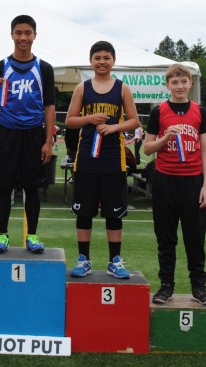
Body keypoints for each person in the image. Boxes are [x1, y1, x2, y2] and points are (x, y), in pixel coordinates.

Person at [65, 41, 139, 280]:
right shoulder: (82, 88)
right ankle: (83, 259)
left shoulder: (122, 88)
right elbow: (69, 121)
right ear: (91, 61)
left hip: (113, 160)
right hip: (86, 158)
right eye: (97, 58)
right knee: (84, 212)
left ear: (113, 61)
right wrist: (90, 118)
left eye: (106, 57)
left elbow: (134, 121)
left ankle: (114, 261)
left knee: (113, 213)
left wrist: (114, 126)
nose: (102, 62)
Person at [143, 63, 206, 306]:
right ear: (168, 85)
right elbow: (147, 148)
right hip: (165, 180)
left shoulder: (199, 111)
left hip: (193, 181)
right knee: (165, 237)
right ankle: (166, 286)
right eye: (175, 82)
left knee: (195, 237)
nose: (180, 86)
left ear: (191, 83)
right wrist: (165, 138)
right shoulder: (158, 112)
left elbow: (205, 149)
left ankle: (199, 287)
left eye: (184, 82)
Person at [0, 15, 56, 254]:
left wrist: (48, 141)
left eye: (28, 33)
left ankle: (32, 235)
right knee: (4, 186)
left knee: (32, 187)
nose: (23, 38)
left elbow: (49, 106)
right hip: (7, 133)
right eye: (18, 33)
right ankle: (2, 235)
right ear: (12, 35)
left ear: (35, 35)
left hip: (34, 134)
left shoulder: (44, 69)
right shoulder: (0, 67)